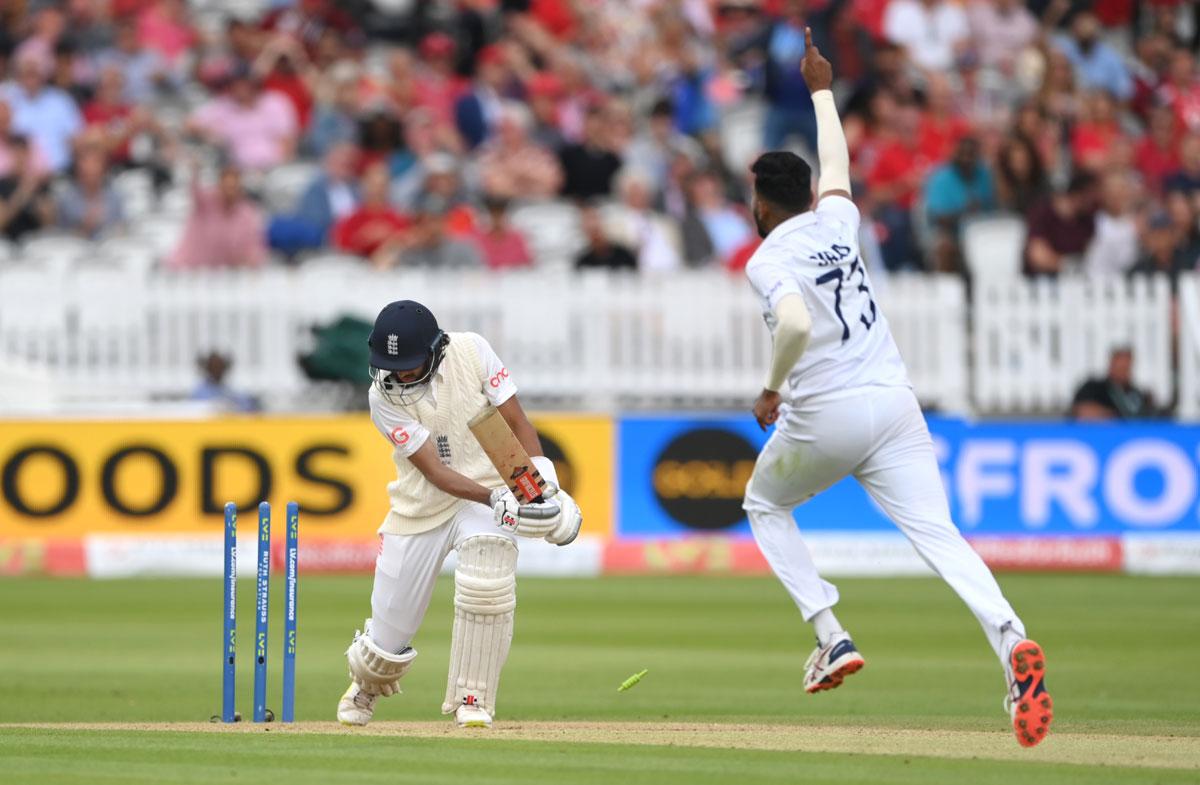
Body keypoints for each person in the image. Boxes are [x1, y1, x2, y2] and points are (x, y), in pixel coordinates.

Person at [740, 29, 1052, 749]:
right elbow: (839, 164)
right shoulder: (839, 220)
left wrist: (769, 387)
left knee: (763, 502)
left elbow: (789, 319)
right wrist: (822, 89)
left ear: (761, 202)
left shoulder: (767, 256)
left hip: (828, 413)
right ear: (809, 194)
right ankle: (1012, 645)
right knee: (940, 535)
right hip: (897, 404)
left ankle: (830, 633)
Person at [336, 300, 583, 728]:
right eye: (393, 367)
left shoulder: (472, 351)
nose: (401, 375)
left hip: (488, 489)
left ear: (436, 349)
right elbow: (435, 471)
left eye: (411, 365)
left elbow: (518, 424)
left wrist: (546, 492)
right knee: (390, 628)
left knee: (488, 574)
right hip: (421, 506)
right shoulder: (381, 398)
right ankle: (366, 686)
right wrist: (495, 499)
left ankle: (474, 697)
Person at [1070, 347, 1157, 419]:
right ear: (1111, 365)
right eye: (1120, 367)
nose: (1124, 371)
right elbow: (1083, 411)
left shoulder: (1136, 393)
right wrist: (1114, 416)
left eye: (1127, 367)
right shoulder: (1094, 388)